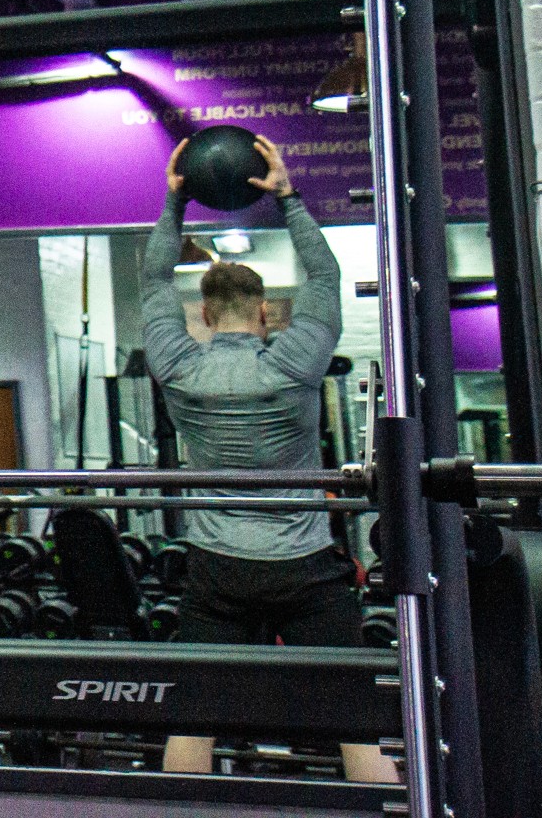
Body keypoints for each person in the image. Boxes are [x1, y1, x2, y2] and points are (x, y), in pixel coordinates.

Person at [142, 135, 399, 786]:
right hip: (303, 566)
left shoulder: (177, 366)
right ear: (264, 312)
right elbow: (326, 278)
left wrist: (173, 203)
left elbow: (152, 280)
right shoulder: (294, 364)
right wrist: (288, 198)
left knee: (191, 722)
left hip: (217, 566)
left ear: (204, 313)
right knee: (356, 726)